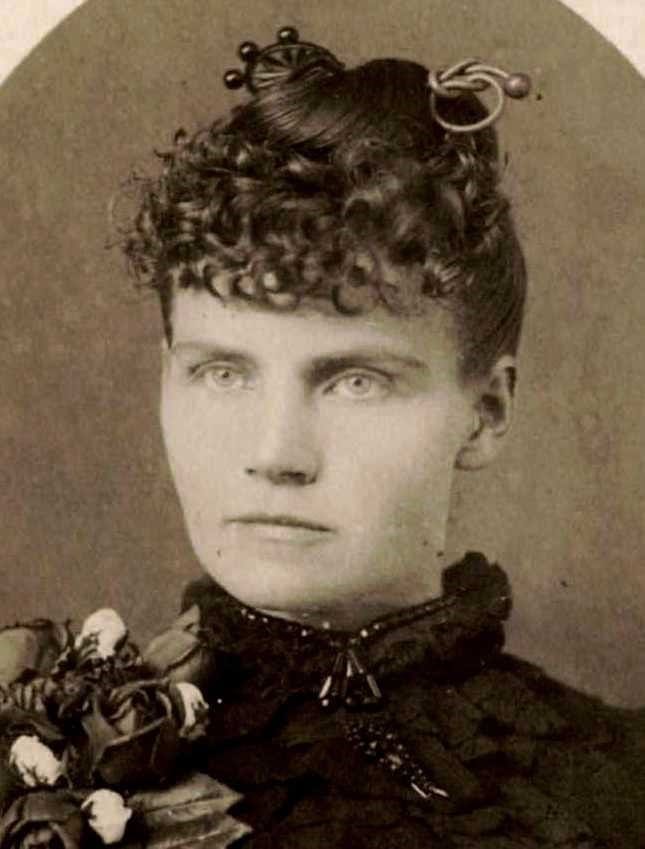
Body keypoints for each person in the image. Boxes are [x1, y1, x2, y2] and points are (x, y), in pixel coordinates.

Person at [124, 27, 645, 849]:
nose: (276, 453)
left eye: (355, 381)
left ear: (486, 411)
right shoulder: (51, 771)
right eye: (222, 372)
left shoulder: (620, 782)